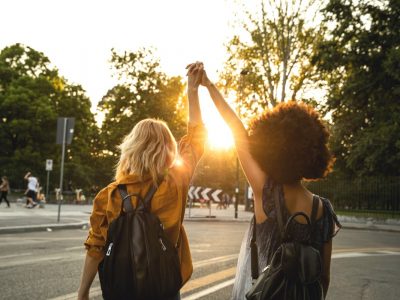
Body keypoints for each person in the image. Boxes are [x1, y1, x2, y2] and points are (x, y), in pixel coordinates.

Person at [191, 63, 341, 299]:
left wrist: (209, 86)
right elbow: (324, 277)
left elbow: (237, 131)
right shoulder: (324, 210)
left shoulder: (266, 192)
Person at [77, 62, 206, 300]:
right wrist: (192, 90)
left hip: (121, 289)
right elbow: (197, 136)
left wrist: (82, 292)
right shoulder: (174, 183)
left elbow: (96, 249)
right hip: (163, 287)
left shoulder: (109, 195)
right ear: (167, 150)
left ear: (131, 148)